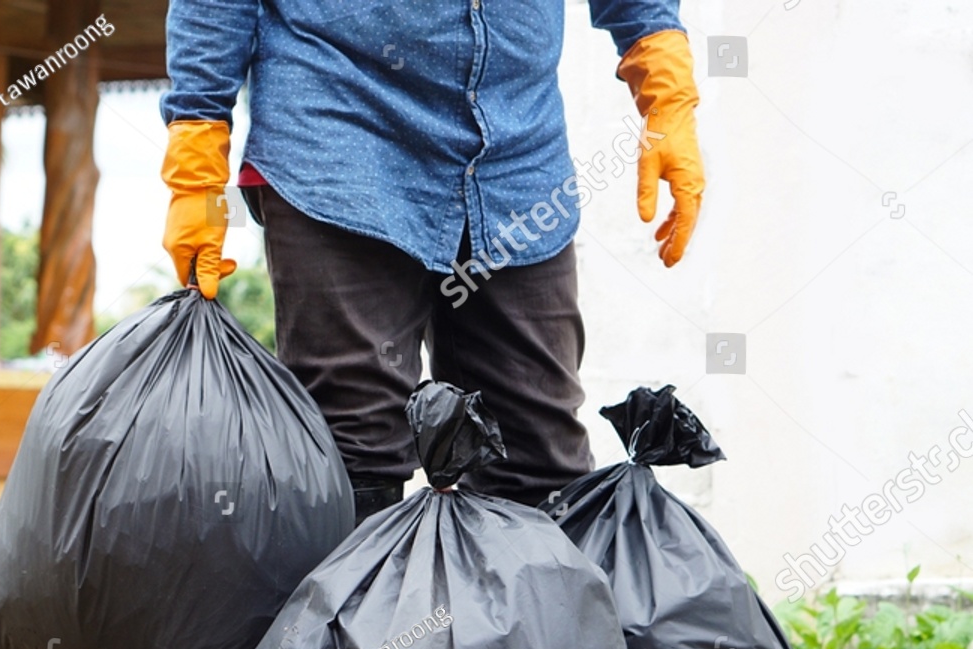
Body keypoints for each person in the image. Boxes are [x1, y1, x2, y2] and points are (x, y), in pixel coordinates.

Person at [160, 2, 704, 525]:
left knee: (540, 462)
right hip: (340, 125)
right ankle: (353, 620)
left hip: (516, 149)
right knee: (353, 456)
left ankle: (519, 618)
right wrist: (197, 152)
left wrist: (664, 82)